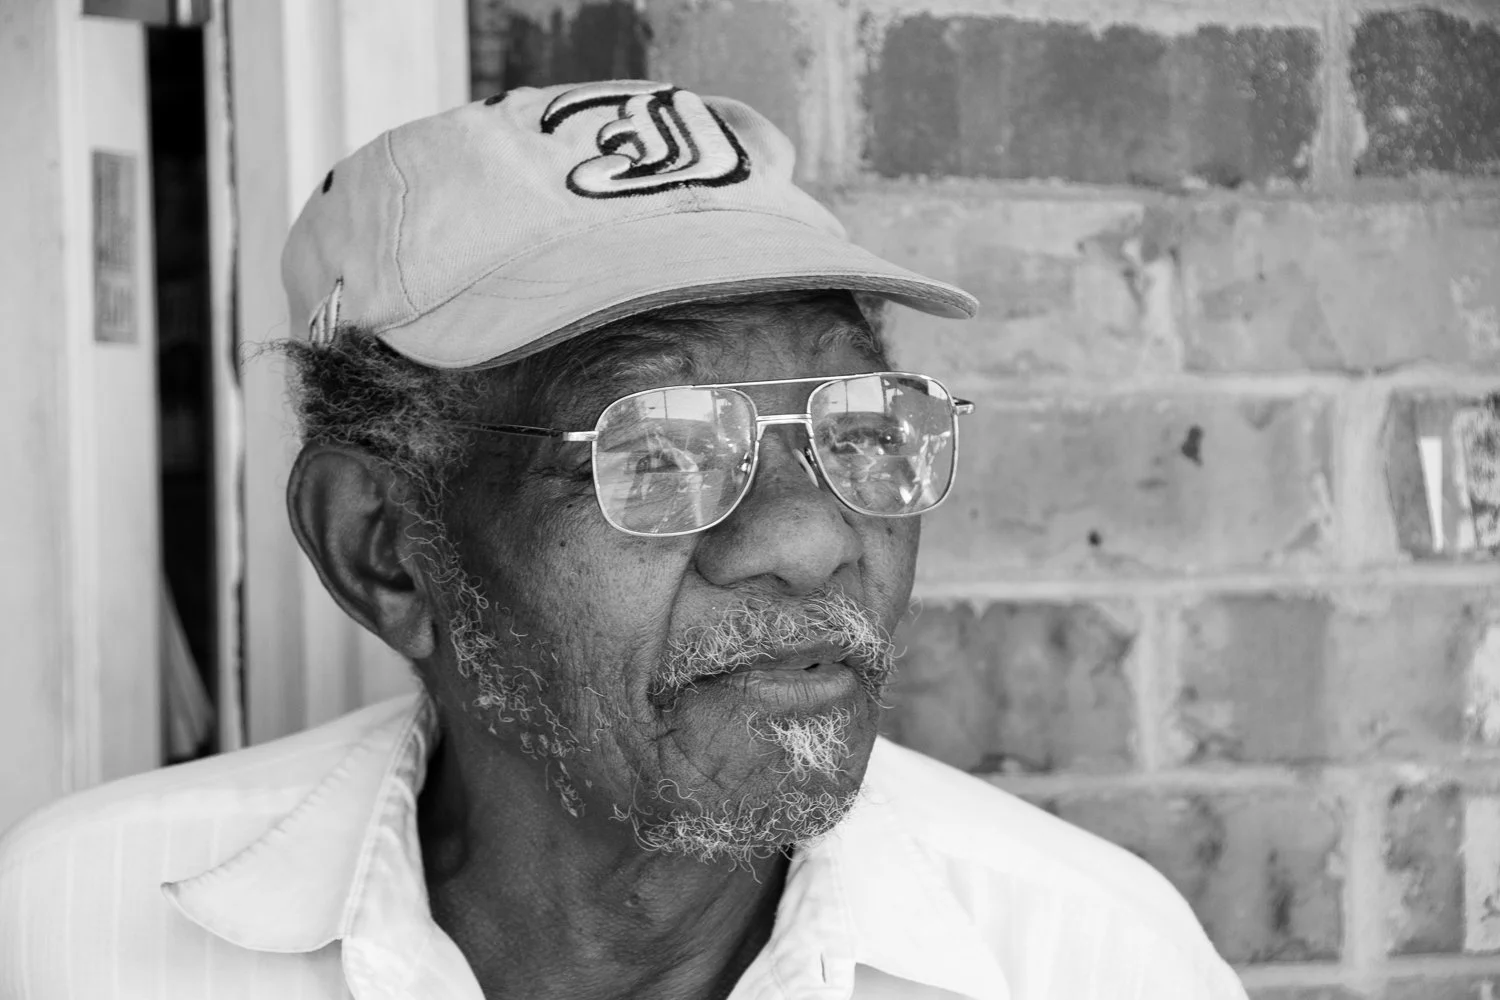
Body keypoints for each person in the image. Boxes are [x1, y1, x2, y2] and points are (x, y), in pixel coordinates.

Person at [0, 81, 1247, 1000]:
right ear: (385, 548)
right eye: (655, 448)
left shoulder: (1094, 958)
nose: (814, 539)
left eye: (859, 421)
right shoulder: (76, 933)